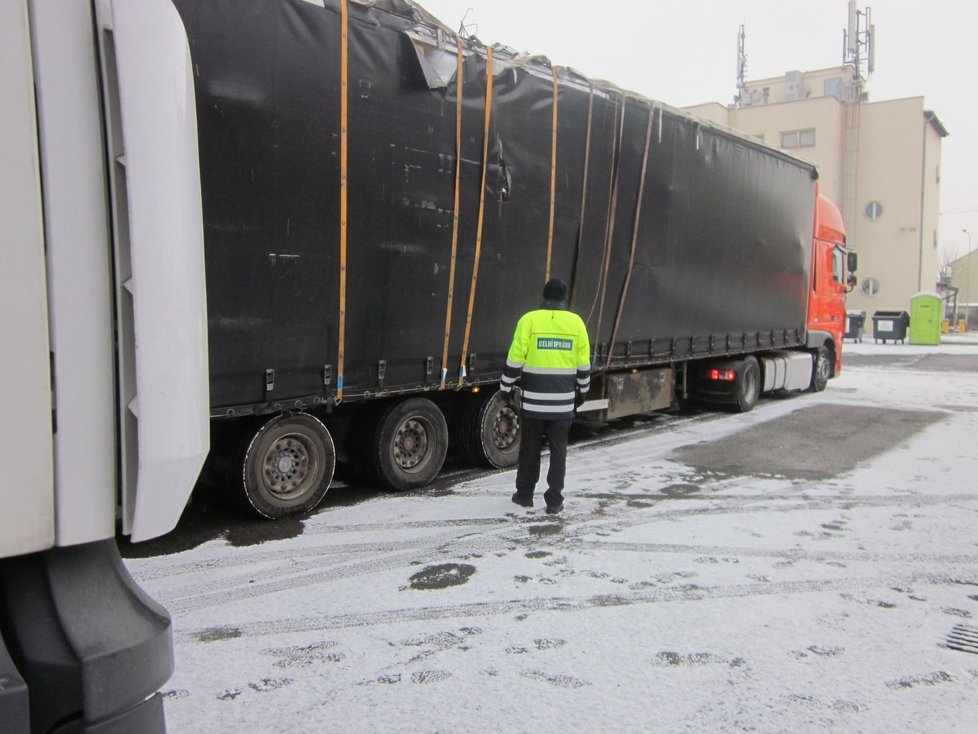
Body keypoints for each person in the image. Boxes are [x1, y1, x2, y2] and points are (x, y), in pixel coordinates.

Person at [499, 278, 591, 514]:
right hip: (562, 404)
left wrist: (505, 387)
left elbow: (515, 356)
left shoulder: (529, 320)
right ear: (564, 299)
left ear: (543, 296)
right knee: (558, 452)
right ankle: (554, 500)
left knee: (529, 449)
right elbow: (583, 363)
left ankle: (524, 495)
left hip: (534, 402)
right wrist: (582, 392)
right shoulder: (576, 323)